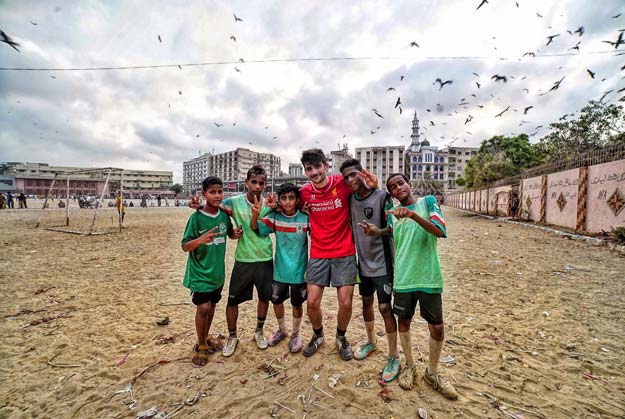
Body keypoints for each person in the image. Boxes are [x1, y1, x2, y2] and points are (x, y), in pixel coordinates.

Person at [361, 173, 458, 399]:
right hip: (403, 279)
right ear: (392, 194)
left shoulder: (428, 203)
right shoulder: (393, 214)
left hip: (429, 276)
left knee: (437, 327)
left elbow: (440, 231)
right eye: (392, 187)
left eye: (400, 183)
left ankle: (432, 373)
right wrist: (378, 231)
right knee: (403, 322)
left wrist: (413, 215)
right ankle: (410, 365)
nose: (398, 189)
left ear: (409, 184)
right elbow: (394, 231)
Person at [298, 148, 377, 361]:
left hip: (345, 252)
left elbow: (367, 192)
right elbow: (288, 207)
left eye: (317, 166)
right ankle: (318, 334)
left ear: (326, 165)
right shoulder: (304, 193)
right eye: (309, 169)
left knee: (346, 303)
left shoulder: (342, 184)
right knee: (312, 302)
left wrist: (374, 184)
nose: (314, 172)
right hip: (318, 253)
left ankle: (341, 337)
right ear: (305, 171)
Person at [190, 165, 277, 357]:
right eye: (253, 182)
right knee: (232, 301)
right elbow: (216, 205)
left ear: (265, 185)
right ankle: (232, 336)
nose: (257, 186)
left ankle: (259, 332)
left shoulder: (270, 205)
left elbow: (280, 215)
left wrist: (276, 207)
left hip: (264, 257)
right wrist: (199, 206)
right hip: (243, 258)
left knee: (264, 298)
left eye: (261, 183)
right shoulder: (234, 201)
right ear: (246, 182)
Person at [340, 159, 400, 382]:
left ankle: (394, 356)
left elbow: (395, 228)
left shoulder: (383, 197)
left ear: (362, 173)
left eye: (353, 174)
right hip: (362, 265)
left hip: (383, 264)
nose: (350, 180)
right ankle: (372, 342)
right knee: (366, 303)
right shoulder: (350, 200)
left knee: (385, 308)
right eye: (346, 177)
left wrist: (379, 232)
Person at [181, 176, 241, 367]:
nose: (217, 195)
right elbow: (185, 246)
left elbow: (229, 232)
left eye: (219, 191)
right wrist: (200, 240)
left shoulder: (224, 216)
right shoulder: (196, 218)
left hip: (217, 274)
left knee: (212, 306)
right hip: (199, 273)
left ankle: (206, 336)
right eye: (212, 192)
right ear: (204, 194)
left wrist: (234, 234)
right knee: (203, 308)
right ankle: (200, 346)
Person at [250, 183, 309, 353]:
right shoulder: (275, 218)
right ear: (279, 200)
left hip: (299, 272)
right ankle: (282, 330)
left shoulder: (305, 218)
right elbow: (256, 228)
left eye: (291, 198)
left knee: (297, 304)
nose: (288, 202)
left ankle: (296, 334)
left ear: (297, 199)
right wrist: (257, 214)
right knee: (277, 301)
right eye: (284, 198)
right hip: (279, 271)